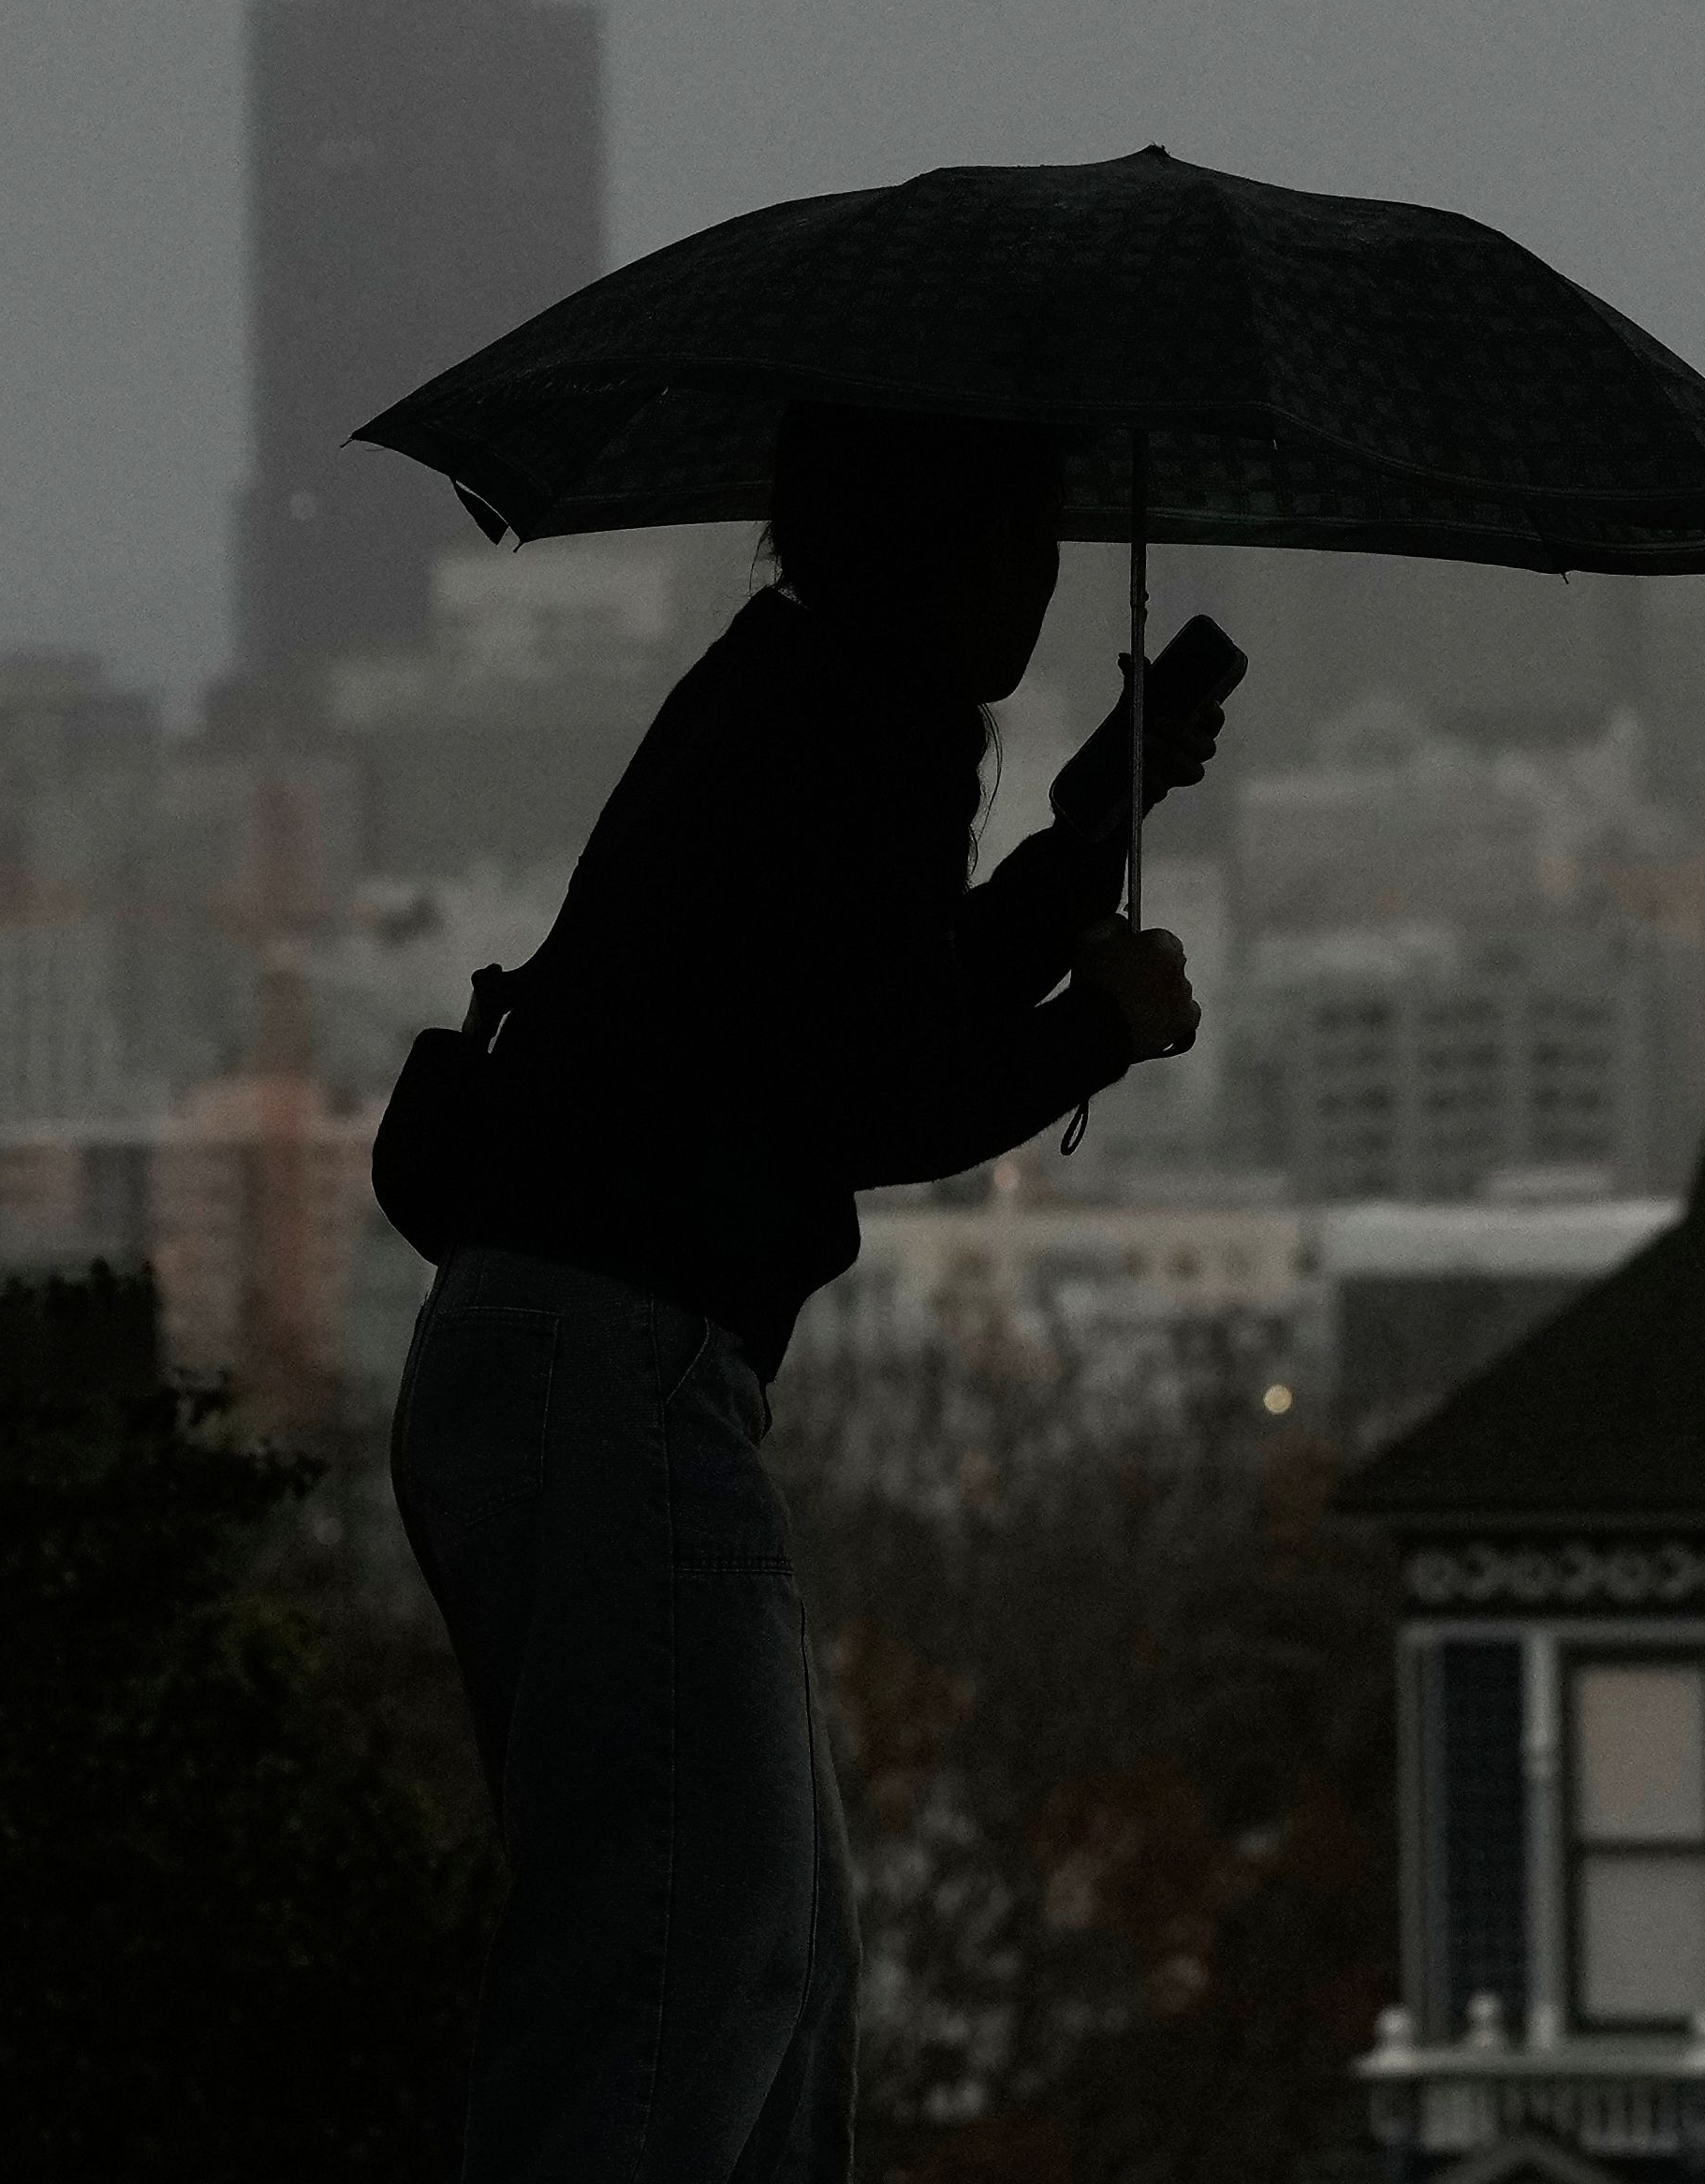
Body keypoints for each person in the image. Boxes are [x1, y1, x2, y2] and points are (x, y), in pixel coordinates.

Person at [389, 403, 1228, 2184]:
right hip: (618, 1368)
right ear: (935, 549)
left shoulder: (793, 695)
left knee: (763, 1957)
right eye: (1023, 542)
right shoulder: (859, 727)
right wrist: (1103, 1025)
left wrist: (1100, 817)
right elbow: (879, 1092)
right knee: (696, 1961)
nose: (1044, 584)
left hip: (572, 1360)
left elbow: (878, 1005)